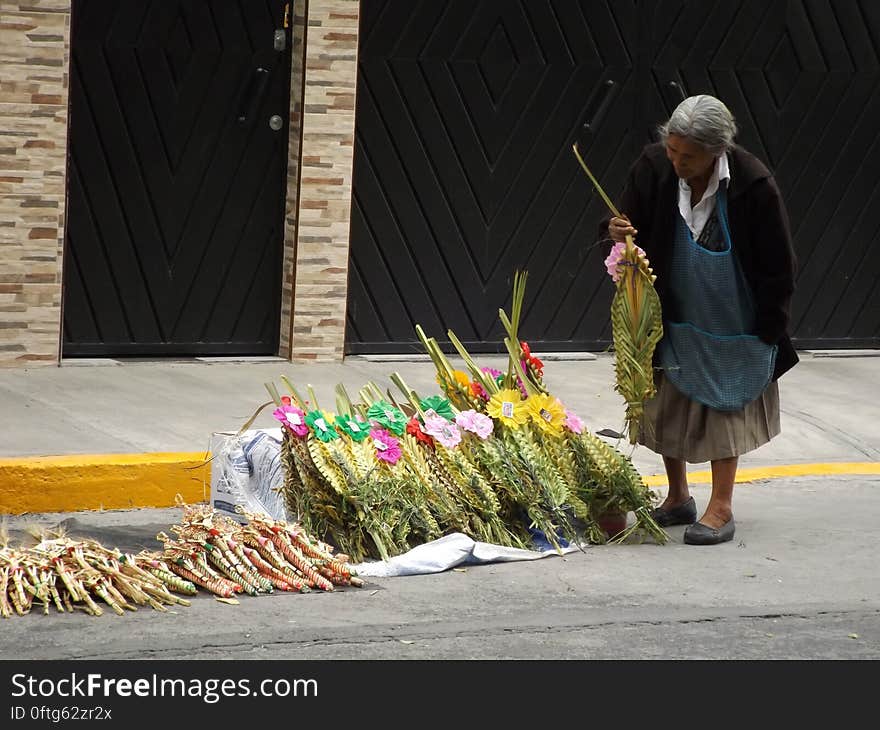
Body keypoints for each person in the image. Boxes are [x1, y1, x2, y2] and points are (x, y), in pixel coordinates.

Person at [604, 94, 798, 545]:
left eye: (688, 156)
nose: (676, 162)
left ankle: (722, 505)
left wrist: (769, 329)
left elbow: (779, 263)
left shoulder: (752, 183)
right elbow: (620, 221)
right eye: (672, 150)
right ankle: (678, 496)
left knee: (724, 403)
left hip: (733, 315)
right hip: (669, 308)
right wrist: (614, 232)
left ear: (717, 151)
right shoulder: (654, 167)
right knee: (666, 399)